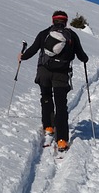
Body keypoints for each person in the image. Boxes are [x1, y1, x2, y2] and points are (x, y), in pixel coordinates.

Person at [19, 10, 89, 151]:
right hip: (62, 74)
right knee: (61, 105)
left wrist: (22, 56)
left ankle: (49, 127)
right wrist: (85, 59)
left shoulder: (44, 33)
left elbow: (32, 50)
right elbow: (81, 55)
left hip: (44, 71)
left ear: (53, 21)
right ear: (65, 21)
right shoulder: (72, 35)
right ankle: (62, 140)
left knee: (46, 97)